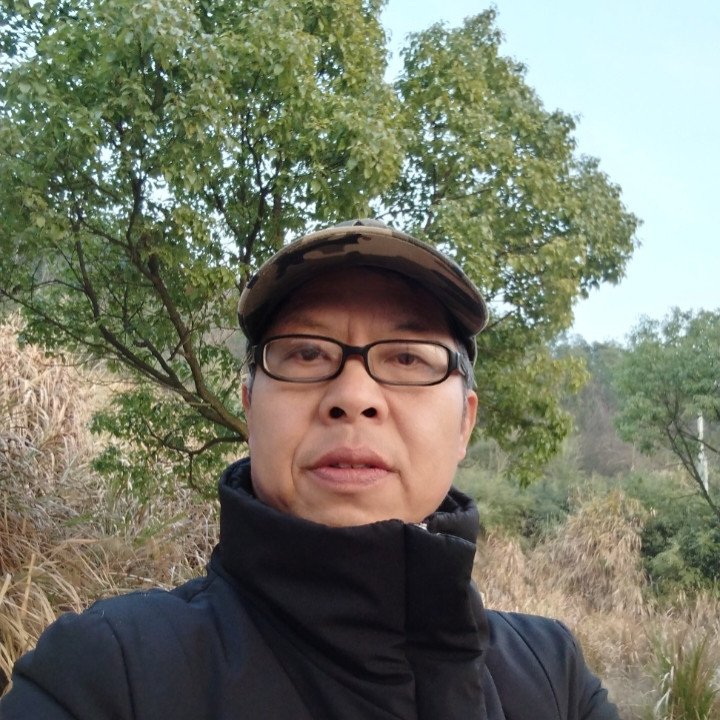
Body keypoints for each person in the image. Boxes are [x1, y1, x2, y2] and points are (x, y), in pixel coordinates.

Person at [0, 219, 621, 719]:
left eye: (408, 358)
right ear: (250, 407)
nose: (353, 395)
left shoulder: (551, 676)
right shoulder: (110, 673)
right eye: (305, 353)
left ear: (465, 423)